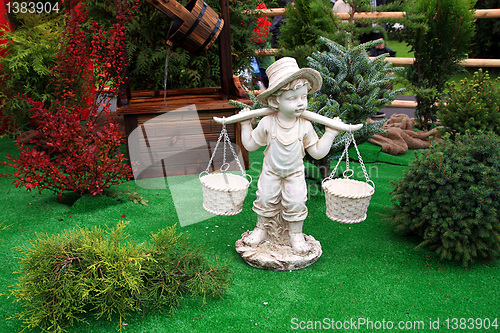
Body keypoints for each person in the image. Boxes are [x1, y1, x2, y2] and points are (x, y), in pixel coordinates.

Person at [238, 57, 341, 254]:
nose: (300, 103)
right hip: (270, 172)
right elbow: (250, 145)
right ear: (275, 100)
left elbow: (317, 152)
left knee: (296, 202)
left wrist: (330, 133)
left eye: (303, 97)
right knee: (265, 198)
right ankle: (261, 230)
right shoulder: (268, 122)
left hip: (294, 174)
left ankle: (295, 235)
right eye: (292, 98)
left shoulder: (305, 125)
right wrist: (245, 125)